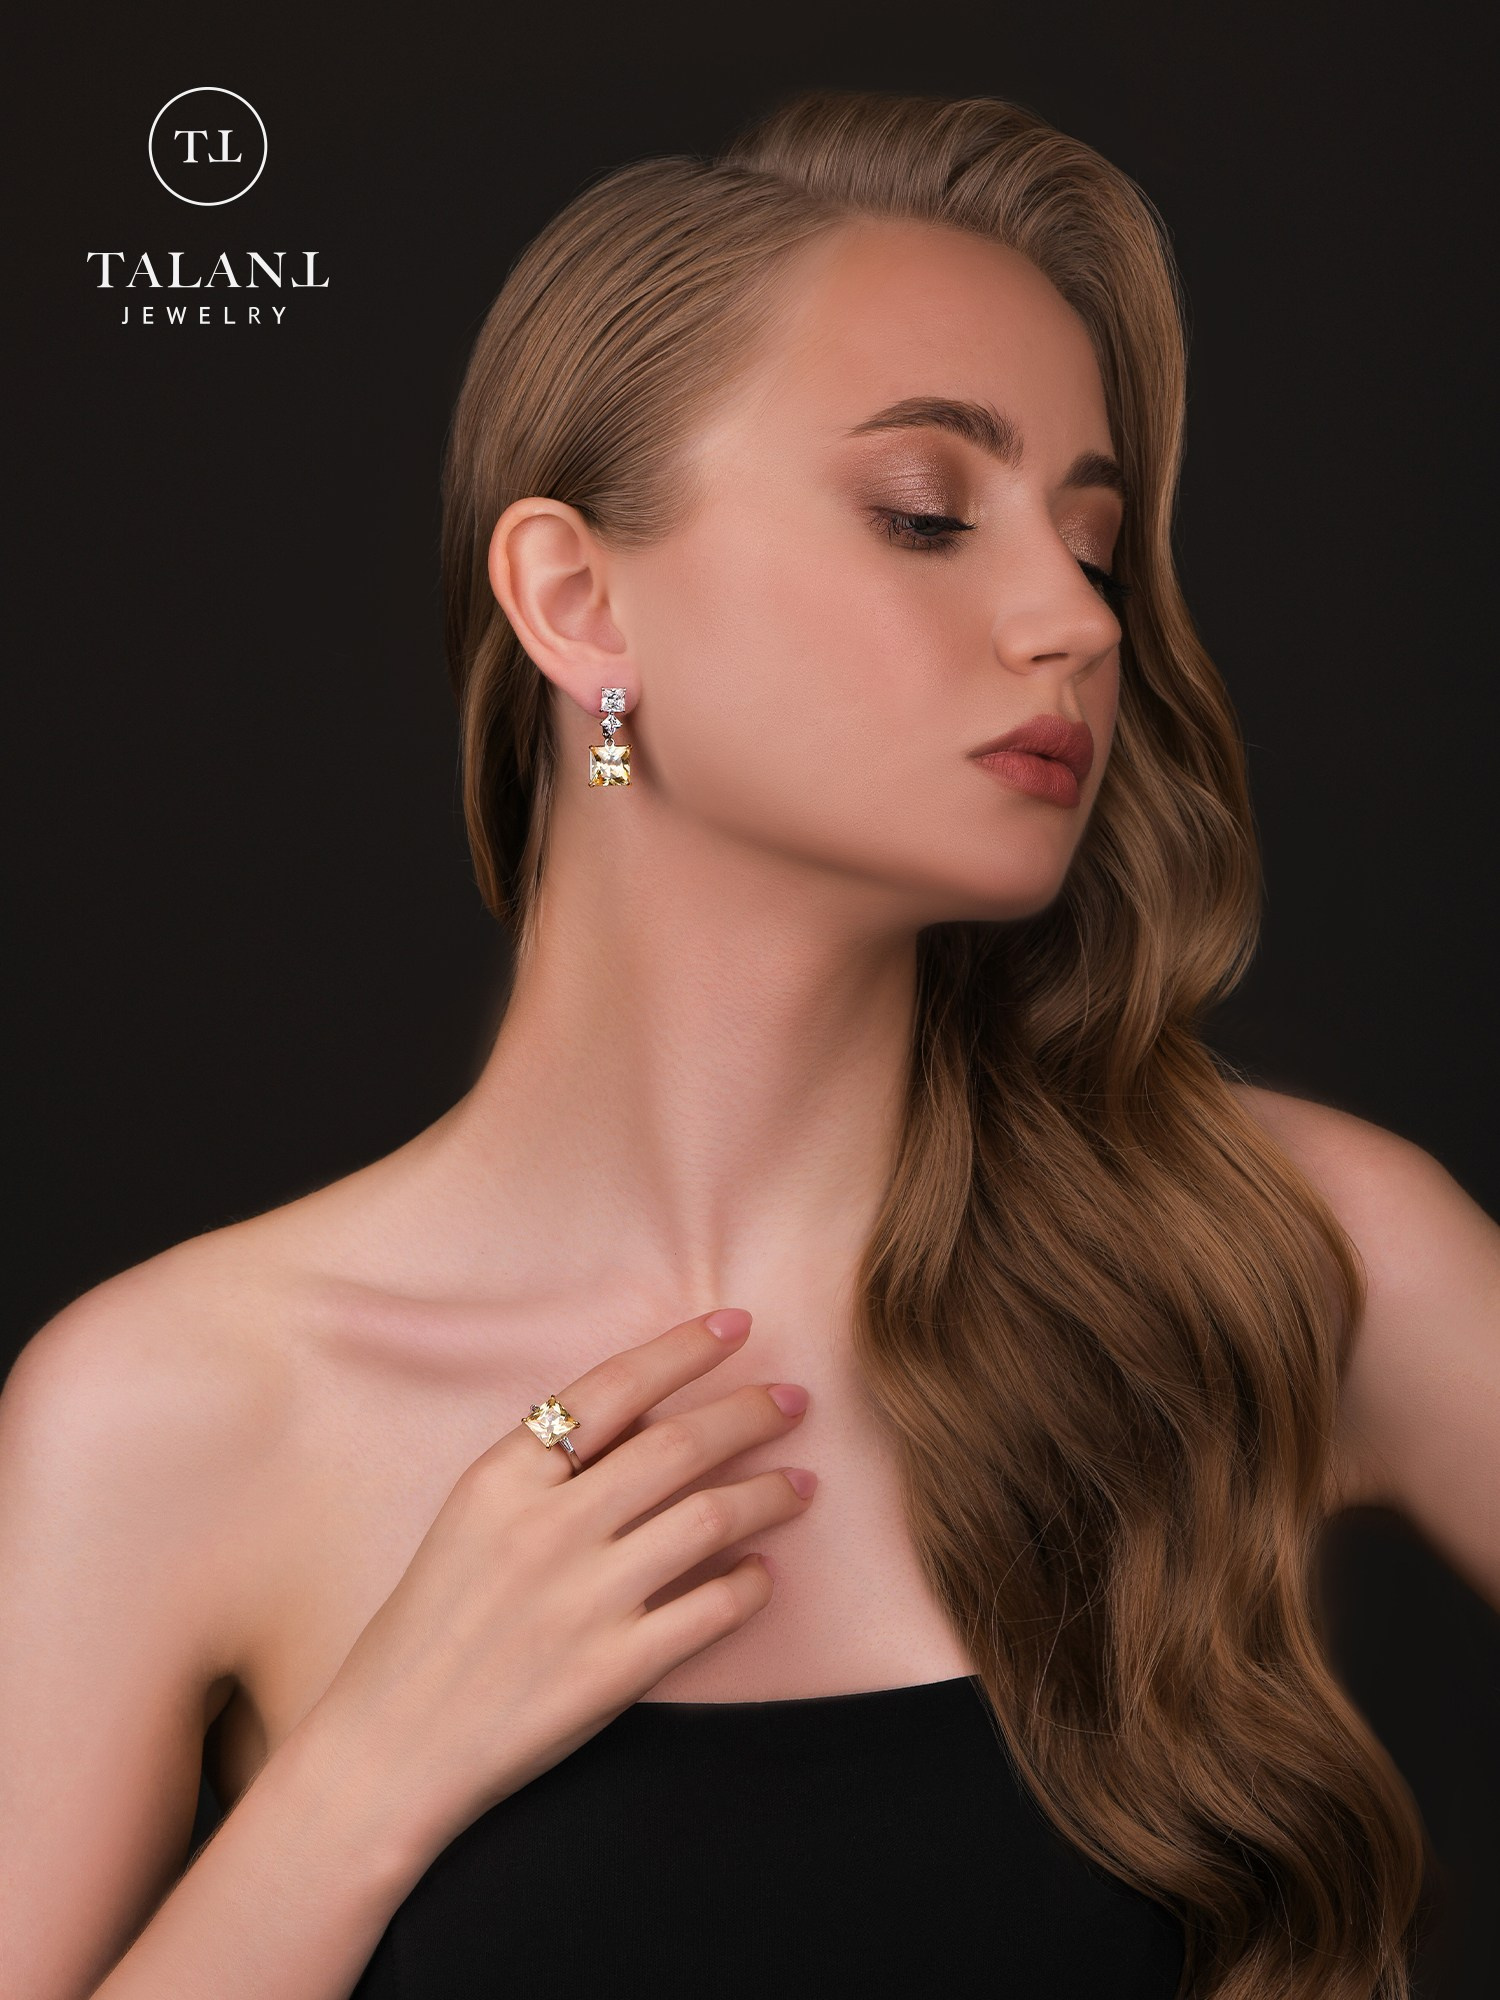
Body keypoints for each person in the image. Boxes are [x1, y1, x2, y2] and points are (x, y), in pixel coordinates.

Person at [1, 84, 1495, 2000]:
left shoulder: (1288, 1250)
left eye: (1094, 544)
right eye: (926, 515)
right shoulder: (175, 1408)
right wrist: (360, 1785)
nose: (1073, 620)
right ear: (578, 600)